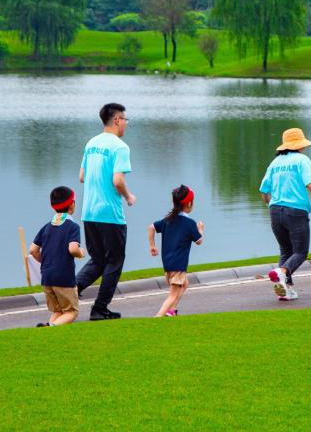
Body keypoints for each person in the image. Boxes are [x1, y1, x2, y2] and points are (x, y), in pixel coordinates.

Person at [259, 127, 311, 302]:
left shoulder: (274, 163)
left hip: (275, 211)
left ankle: (287, 289)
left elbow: (264, 191)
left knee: (286, 250)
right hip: (295, 212)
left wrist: (270, 204)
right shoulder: (302, 160)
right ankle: (282, 272)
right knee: (301, 252)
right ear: (299, 145)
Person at [76, 102, 136, 321]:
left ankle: (70, 291)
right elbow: (118, 181)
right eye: (125, 120)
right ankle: (100, 308)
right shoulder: (120, 147)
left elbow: (82, 177)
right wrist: (128, 196)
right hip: (109, 213)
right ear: (117, 120)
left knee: (99, 259)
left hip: (89, 212)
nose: (126, 124)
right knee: (115, 260)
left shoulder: (91, 143)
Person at [29, 186, 85, 327]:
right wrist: (81, 253)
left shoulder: (46, 227)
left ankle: (48, 326)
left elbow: (33, 250)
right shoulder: (72, 227)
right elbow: (73, 249)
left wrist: (46, 261)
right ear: (72, 205)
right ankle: (51, 327)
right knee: (71, 312)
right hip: (64, 277)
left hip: (47, 277)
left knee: (59, 311)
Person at [148, 185, 204, 317]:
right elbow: (199, 241)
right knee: (172, 295)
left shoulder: (167, 220)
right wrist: (200, 230)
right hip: (179, 266)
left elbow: (151, 227)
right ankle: (158, 318)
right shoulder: (190, 223)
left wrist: (152, 246)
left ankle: (171, 311)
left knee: (185, 284)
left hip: (168, 265)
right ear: (189, 203)